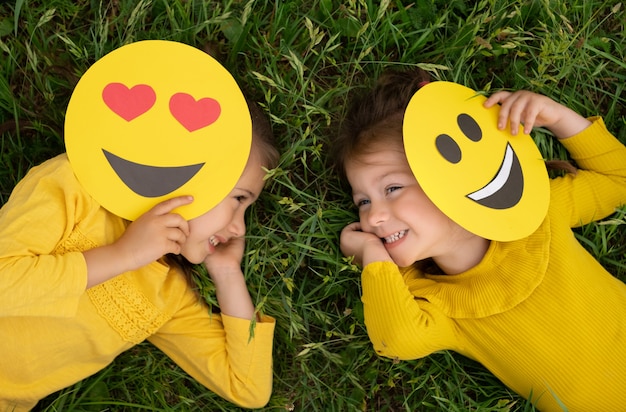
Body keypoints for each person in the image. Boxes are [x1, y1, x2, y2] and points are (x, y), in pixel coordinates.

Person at [333, 68, 626, 411]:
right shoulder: (437, 301)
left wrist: (557, 117)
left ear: (452, 173)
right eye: (363, 201)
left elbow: (617, 179)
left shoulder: (538, 216)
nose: (373, 217)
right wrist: (372, 257)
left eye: (392, 188)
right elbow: (395, 340)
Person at [0, 97, 280, 410]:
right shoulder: (71, 187)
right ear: (193, 172)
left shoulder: (168, 295)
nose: (240, 228)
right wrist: (122, 255)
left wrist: (228, 275)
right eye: (239, 199)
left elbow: (248, 390)